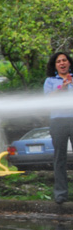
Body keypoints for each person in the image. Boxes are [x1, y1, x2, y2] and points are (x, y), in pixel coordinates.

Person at [43, 51, 73, 205]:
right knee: (59, 158)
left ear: (69, 63)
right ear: (55, 65)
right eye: (58, 61)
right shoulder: (50, 81)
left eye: (64, 60)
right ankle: (61, 195)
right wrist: (63, 87)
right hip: (58, 121)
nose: (62, 63)